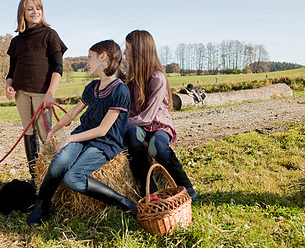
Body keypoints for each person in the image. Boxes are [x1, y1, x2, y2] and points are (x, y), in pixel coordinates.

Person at [27, 40, 136, 226]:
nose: (87, 62)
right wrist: (53, 130)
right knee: (59, 161)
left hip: (104, 143)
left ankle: (124, 202)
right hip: (83, 136)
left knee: (73, 179)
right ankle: (42, 204)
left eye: (89, 57)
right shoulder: (92, 88)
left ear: (103, 57)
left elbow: (103, 129)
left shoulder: (120, 90)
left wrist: (69, 137)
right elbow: (72, 114)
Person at [123, 30, 197, 199]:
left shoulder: (157, 77)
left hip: (157, 124)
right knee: (132, 135)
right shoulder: (130, 76)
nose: (124, 52)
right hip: (138, 125)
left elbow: (148, 116)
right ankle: (150, 190)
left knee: (157, 147)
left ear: (139, 51)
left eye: (127, 48)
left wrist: (122, 124)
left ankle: (187, 188)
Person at [5, 0, 68, 185]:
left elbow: (58, 68)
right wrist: (8, 86)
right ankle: (35, 178)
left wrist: (50, 93)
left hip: (42, 93)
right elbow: (11, 70)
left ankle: (52, 177)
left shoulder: (50, 35)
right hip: (21, 93)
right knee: (28, 132)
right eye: (30, 9)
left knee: (45, 134)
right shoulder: (16, 41)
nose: (35, 12)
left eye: (38, 8)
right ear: (22, 13)